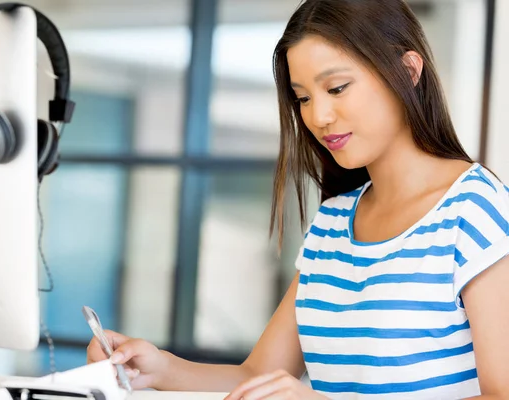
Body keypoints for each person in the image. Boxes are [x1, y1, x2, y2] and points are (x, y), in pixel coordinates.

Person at [87, 0, 509, 398]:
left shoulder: (476, 211)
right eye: (303, 97)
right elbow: (260, 376)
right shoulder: (332, 223)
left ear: (409, 70)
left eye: (338, 88)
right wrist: (157, 368)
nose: (318, 117)